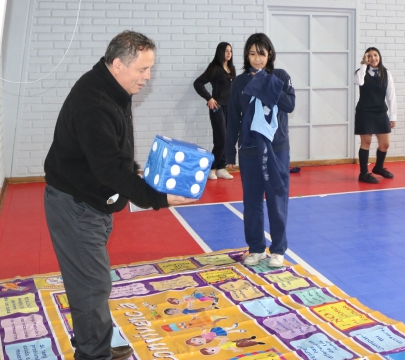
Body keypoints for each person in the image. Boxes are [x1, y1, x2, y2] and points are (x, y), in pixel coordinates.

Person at [44, 31, 196, 360]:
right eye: (142, 69)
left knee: (93, 283)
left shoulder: (112, 87)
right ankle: (93, 355)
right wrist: (159, 197)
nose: (148, 77)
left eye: (150, 68)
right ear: (117, 64)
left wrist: (138, 171)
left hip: (89, 200)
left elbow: (112, 152)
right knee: (91, 285)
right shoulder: (94, 102)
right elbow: (108, 170)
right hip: (75, 206)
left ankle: (94, 344)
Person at [225, 33, 296, 269]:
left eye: (261, 54)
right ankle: (256, 247)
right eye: (252, 53)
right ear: (247, 55)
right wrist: (229, 154)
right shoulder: (240, 82)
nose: (257, 59)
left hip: (277, 149)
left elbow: (289, 105)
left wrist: (266, 81)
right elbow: (233, 119)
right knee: (252, 201)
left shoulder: (280, 77)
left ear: (270, 55)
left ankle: (278, 250)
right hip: (249, 149)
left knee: (277, 198)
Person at [194, 42, 236, 180]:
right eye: (226, 51)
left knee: (227, 139)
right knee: (221, 139)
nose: (229, 53)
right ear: (220, 52)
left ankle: (221, 168)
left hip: (230, 107)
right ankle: (211, 168)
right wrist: (209, 98)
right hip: (217, 107)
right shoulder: (214, 68)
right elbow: (198, 83)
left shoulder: (232, 69)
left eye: (230, 51)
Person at [354, 47, 397, 183]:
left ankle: (378, 167)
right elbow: (360, 82)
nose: (373, 58)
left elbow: (391, 96)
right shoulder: (360, 73)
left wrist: (393, 116)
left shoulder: (386, 73)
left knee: (385, 144)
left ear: (379, 56)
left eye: (375, 55)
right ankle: (363, 173)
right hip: (365, 113)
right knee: (366, 142)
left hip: (380, 113)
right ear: (366, 58)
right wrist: (364, 65)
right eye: (370, 56)